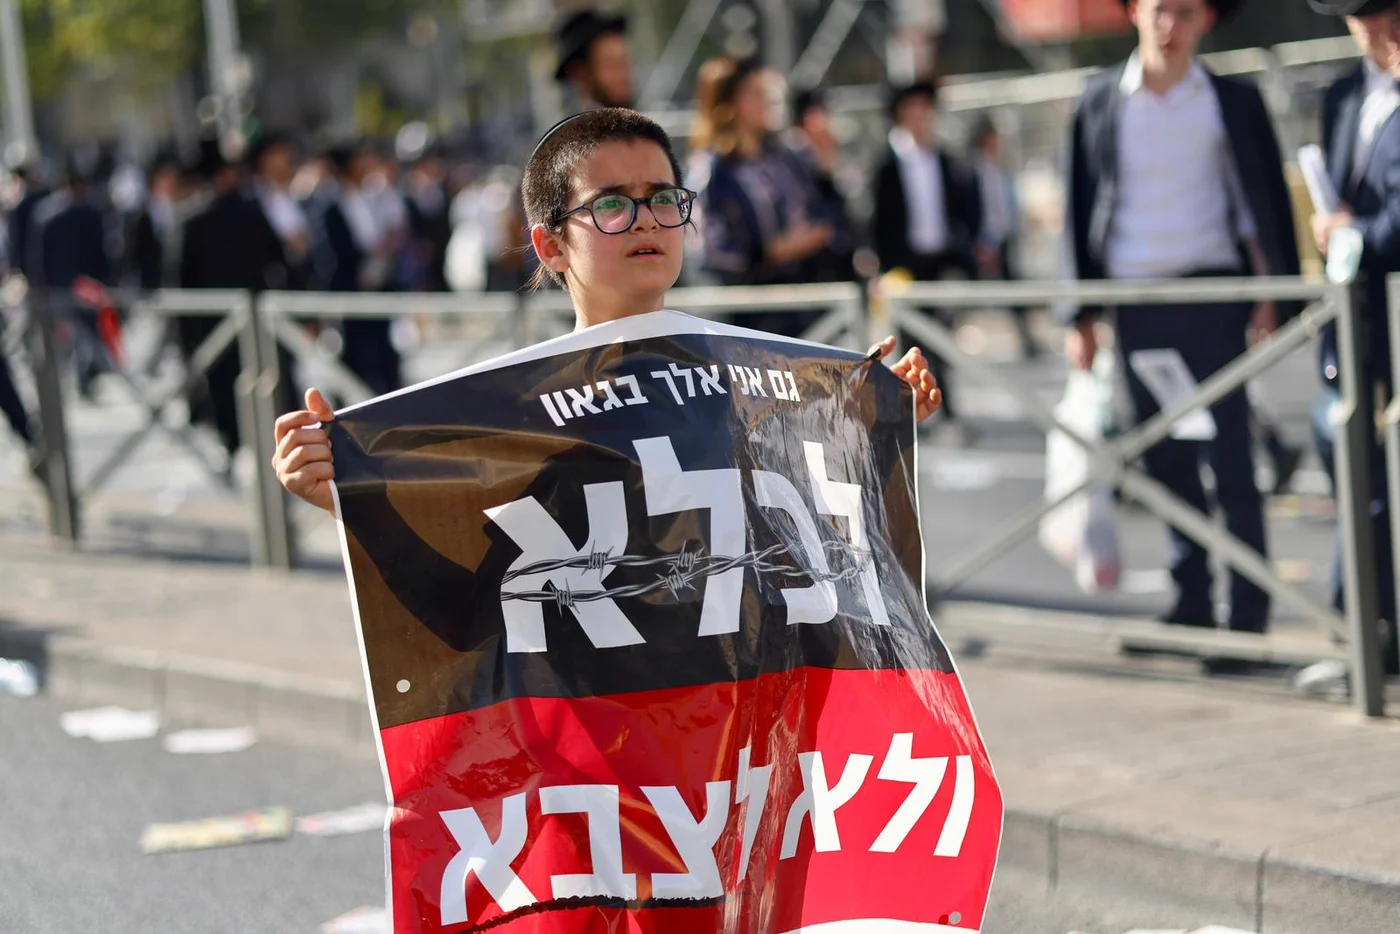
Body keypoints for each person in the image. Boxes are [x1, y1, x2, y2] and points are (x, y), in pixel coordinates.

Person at [271, 108, 943, 516]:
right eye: (612, 204)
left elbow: (814, 525)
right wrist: (343, 495)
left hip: (741, 706)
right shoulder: (509, 410)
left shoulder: (751, 376)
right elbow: (456, 552)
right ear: (550, 245)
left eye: (663, 198)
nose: (646, 219)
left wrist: (875, 419)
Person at [1062, 0, 1301, 657]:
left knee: (1230, 455)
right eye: (1160, 9)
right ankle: (1191, 600)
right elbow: (1078, 206)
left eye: (1187, 12)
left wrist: (1273, 292)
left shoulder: (1232, 100)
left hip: (1215, 295)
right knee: (1163, 458)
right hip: (1135, 302)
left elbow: (1262, 200)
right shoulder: (1101, 98)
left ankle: (1248, 613)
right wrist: (1078, 315)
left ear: (1206, 22)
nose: (1171, 25)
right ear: (1135, 13)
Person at [1302, 0, 1400, 688]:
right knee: (1353, 463)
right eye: (1364, 18)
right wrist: (1332, 232)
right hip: (1358, 318)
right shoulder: (1342, 94)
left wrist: (1356, 234)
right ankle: (1364, 631)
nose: (1381, 31)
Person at [694, 57, 840, 335]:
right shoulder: (713, 171)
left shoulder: (784, 156)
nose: (766, 102)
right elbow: (714, 252)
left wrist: (826, 165)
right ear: (729, 103)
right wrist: (773, 252)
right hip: (748, 315)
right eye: (755, 93)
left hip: (801, 302)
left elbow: (823, 209)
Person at [871, 79, 982, 437]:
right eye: (913, 108)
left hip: (941, 264)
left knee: (943, 339)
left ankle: (943, 407)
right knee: (911, 344)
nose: (921, 115)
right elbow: (875, 221)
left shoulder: (945, 160)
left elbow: (965, 211)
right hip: (904, 268)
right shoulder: (886, 165)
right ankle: (913, 412)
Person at [179, 138, 288, 460]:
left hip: (215, 326)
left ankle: (234, 448)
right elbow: (280, 263)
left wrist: (186, 339)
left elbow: (179, 284)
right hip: (251, 322)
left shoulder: (191, 220)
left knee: (227, 393)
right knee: (264, 386)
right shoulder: (250, 212)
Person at [310, 141, 401, 397]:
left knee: (385, 352)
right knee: (355, 356)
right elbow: (332, 254)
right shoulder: (329, 205)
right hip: (351, 293)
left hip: (380, 287)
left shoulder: (374, 198)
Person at [29, 145, 117, 400]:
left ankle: (83, 378)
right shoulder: (77, 213)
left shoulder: (52, 214)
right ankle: (82, 378)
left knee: (77, 335)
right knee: (76, 335)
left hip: (67, 286)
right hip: (77, 286)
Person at [970, 114, 1037, 359]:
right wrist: (981, 243)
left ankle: (1027, 339)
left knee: (1015, 292)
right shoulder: (973, 170)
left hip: (1004, 240)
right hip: (983, 243)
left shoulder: (1000, 168)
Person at [553, 9, 634, 111]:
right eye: (612, 65)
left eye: (624, 63)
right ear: (580, 72)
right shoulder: (579, 121)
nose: (624, 76)